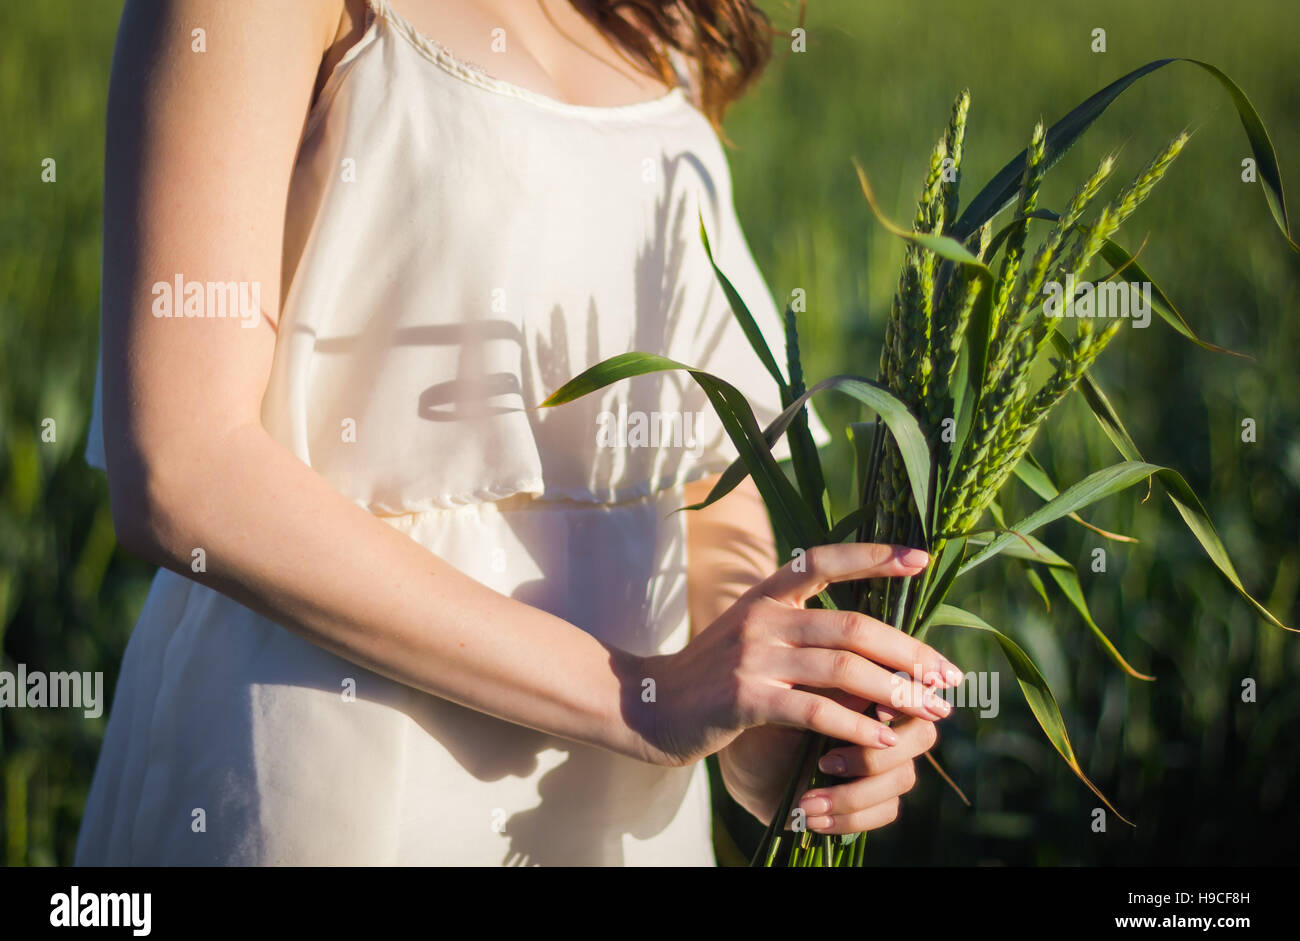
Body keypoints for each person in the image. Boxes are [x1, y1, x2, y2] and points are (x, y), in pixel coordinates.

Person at [77, 0, 958, 866]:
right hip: (333, 765)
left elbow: (695, 472)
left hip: (622, 812)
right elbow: (185, 466)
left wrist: (758, 725)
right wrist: (637, 698)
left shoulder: (658, 23)